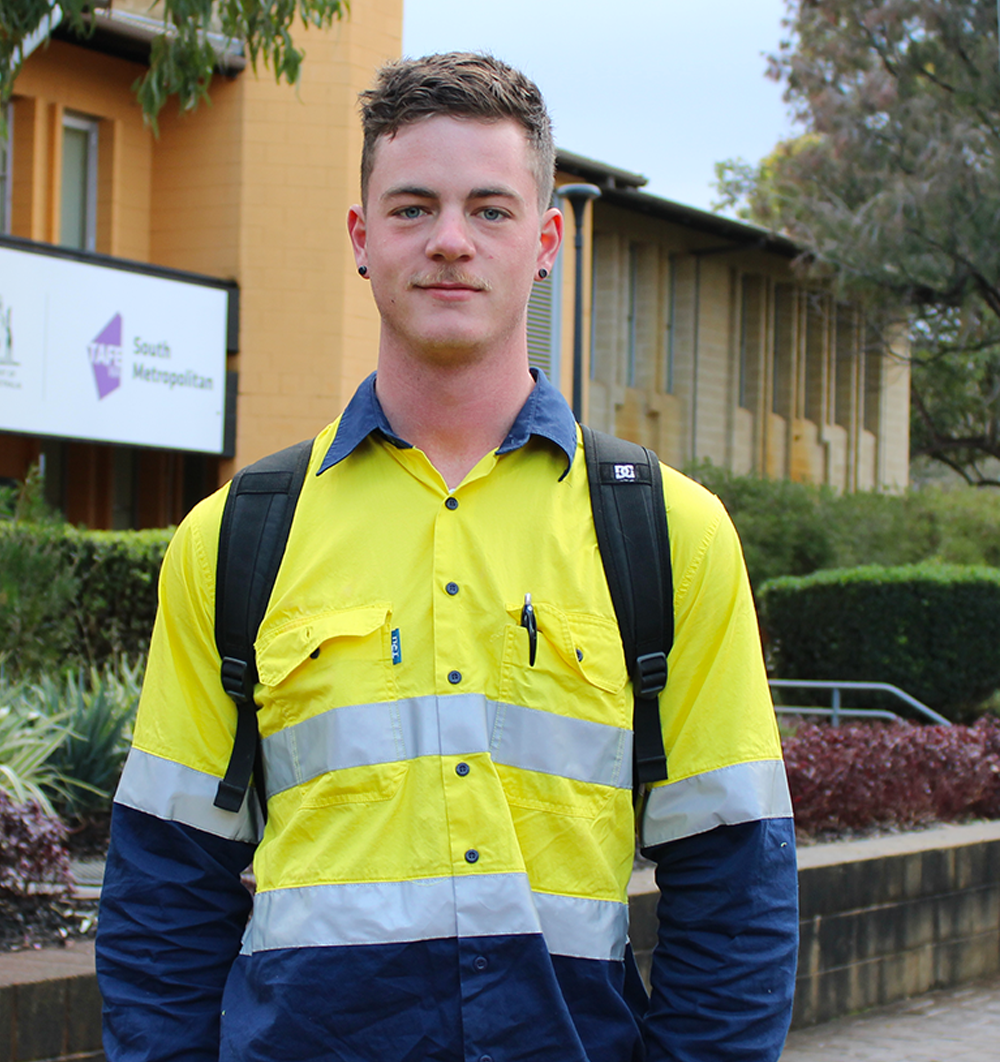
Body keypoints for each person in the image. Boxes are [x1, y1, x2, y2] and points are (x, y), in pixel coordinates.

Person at [96, 52, 798, 1061]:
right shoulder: (234, 538)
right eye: (414, 207)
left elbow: (737, 888)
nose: (451, 242)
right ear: (361, 237)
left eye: (492, 209)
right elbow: (165, 887)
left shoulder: (668, 536)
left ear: (547, 239)